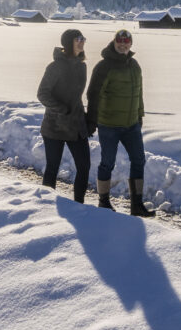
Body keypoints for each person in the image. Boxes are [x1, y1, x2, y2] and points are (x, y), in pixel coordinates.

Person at [85, 28, 154, 216]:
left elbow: (138, 93)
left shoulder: (134, 65)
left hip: (131, 124)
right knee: (108, 162)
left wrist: (139, 115)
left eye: (126, 41)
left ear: (130, 44)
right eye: (119, 41)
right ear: (114, 42)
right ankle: (103, 202)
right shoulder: (104, 66)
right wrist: (92, 120)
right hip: (109, 125)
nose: (123, 44)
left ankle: (136, 205)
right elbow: (93, 94)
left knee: (139, 160)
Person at [36, 28, 91, 200]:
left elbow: (77, 96)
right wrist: (62, 109)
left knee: (84, 166)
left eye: (83, 39)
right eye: (78, 39)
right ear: (69, 43)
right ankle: (45, 203)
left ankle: (79, 205)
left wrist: (87, 118)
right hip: (55, 127)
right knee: (52, 167)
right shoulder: (56, 66)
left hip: (76, 126)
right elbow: (42, 93)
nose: (82, 42)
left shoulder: (82, 66)